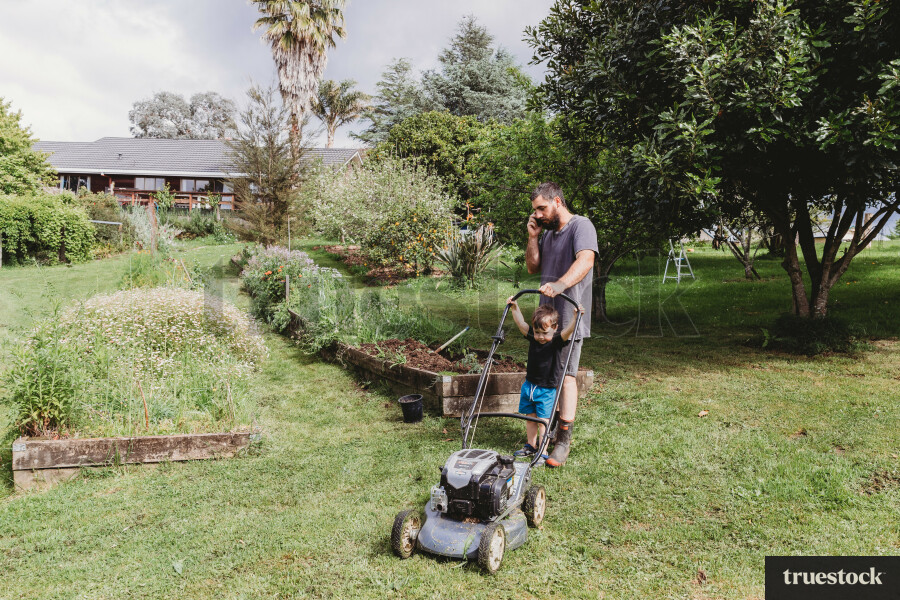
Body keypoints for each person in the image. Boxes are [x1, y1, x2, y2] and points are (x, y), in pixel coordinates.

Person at [525, 182, 598, 467]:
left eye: (542, 208)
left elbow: (586, 260)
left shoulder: (581, 226)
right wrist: (533, 237)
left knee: (566, 376)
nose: (539, 215)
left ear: (558, 201)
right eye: (535, 211)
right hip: (546, 320)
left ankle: (563, 440)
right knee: (547, 375)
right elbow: (533, 267)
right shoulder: (547, 234)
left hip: (569, 316)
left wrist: (560, 284)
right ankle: (548, 432)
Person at [506, 298, 583, 465]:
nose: (540, 337)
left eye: (545, 333)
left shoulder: (556, 342)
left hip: (546, 391)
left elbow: (568, 331)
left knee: (543, 421)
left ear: (554, 328)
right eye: (537, 332)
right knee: (530, 418)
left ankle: (543, 450)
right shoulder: (533, 338)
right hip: (529, 387)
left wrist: (576, 318)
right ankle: (531, 446)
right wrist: (514, 308)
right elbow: (522, 325)